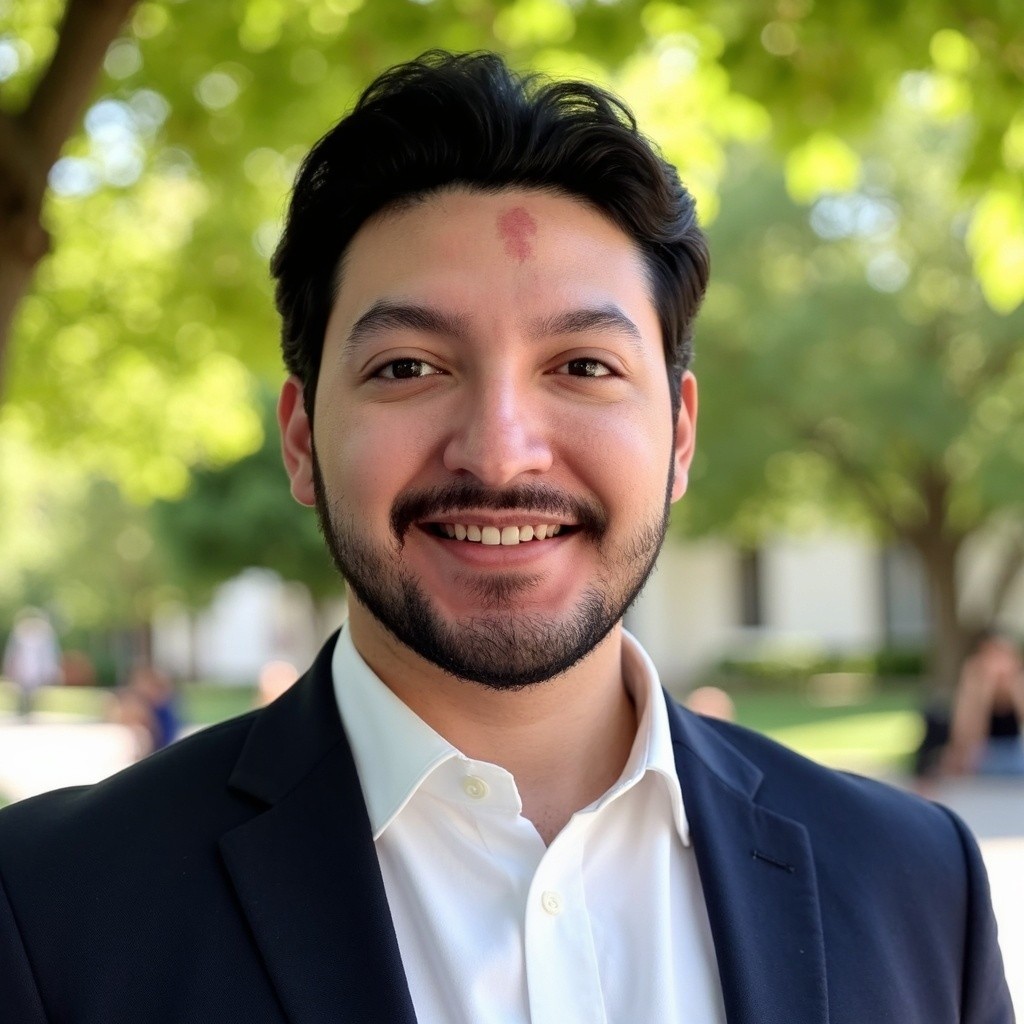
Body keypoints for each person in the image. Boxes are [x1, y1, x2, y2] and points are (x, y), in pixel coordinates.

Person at [0, 51, 1013, 1023]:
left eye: (581, 366)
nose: (499, 452)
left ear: (680, 434)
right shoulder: (48, 911)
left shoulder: (917, 886)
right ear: (303, 440)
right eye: (407, 366)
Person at [945, 629, 1024, 777]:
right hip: (985, 758)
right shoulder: (973, 684)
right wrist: (984, 693)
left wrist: (1014, 689)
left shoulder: (1019, 682)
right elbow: (965, 739)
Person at [1, 607, 61, 719]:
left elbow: (49, 654)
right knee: (21, 690)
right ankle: (23, 709)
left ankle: (29, 709)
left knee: (34, 691)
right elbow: (12, 653)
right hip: (22, 668)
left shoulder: (44, 637)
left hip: (36, 668)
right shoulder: (19, 635)